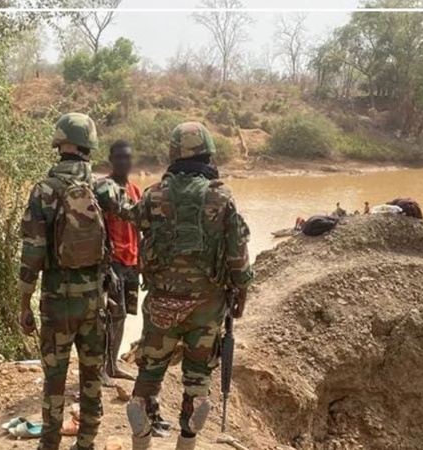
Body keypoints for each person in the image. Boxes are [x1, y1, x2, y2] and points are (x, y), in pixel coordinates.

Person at [116, 122, 254, 450]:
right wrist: (242, 291)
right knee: (198, 379)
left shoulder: (153, 195)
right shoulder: (220, 195)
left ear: (174, 155)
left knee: (149, 372)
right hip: (207, 306)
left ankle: (141, 419)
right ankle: (187, 438)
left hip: (162, 302)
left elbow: (134, 221)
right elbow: (237, 252)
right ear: (207, 153)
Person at [19, 112, 121, 450]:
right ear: (88, 145)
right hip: (95, 301)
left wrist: (24, 304)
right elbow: (134, 214)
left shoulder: (44, 190)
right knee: (91, 378)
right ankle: (87, 442)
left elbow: (32, 254)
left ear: (59, 144)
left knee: (55, 380)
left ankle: (49, 445)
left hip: (57, 301)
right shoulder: (102, 187)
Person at [99, 139, 141, 387]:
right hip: (113, 263)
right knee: (111, 316)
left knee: (123, 317)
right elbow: (100, 229)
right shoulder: (106, 190)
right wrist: (105, 265)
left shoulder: (135, 191)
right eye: (119, 157)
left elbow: (139, 228)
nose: (124, 161)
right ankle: (103, 369)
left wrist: (141, 261)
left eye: (127, 157)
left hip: (131, 263)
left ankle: (112, 365)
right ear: (111, 160)